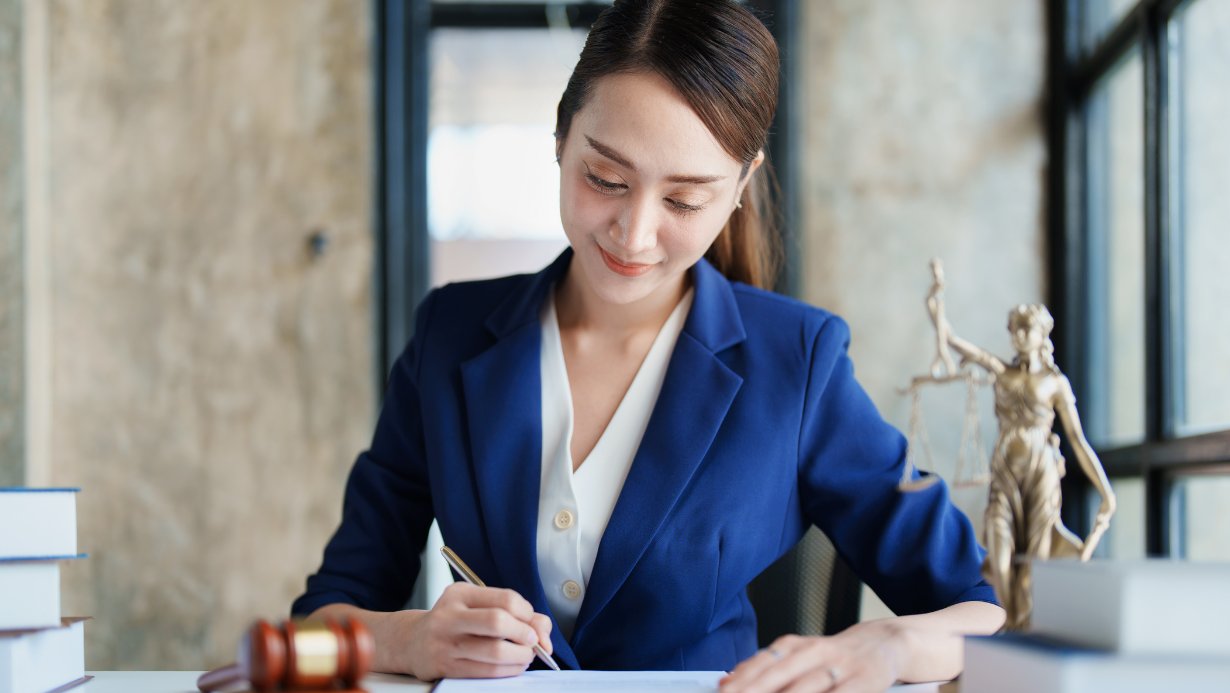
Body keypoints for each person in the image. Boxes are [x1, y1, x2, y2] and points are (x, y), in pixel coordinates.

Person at [292, 1, 1005, 690]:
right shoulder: (448, 337)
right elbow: (313, 631)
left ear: (740, 188)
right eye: (605, 178)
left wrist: (889, 642)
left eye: (684, 200)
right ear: (561, 139)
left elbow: (984, 610)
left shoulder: (799, 361)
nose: (632, 235)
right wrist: (405, 639)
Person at [928, 298, 1116, 632]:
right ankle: (1014, 627)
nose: (1018, 335)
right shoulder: (1003, 372)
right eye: (1014, 329)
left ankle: (1024, 636)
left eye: (1025, 329)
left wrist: (1106, 492)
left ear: (1041, 333)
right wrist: (938, 311)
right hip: (1005, 471)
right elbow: (957, 343)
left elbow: (1078, 440)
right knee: (1000, 562)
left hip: (1040, 472)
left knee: (1035, 568)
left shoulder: (1055, 383)